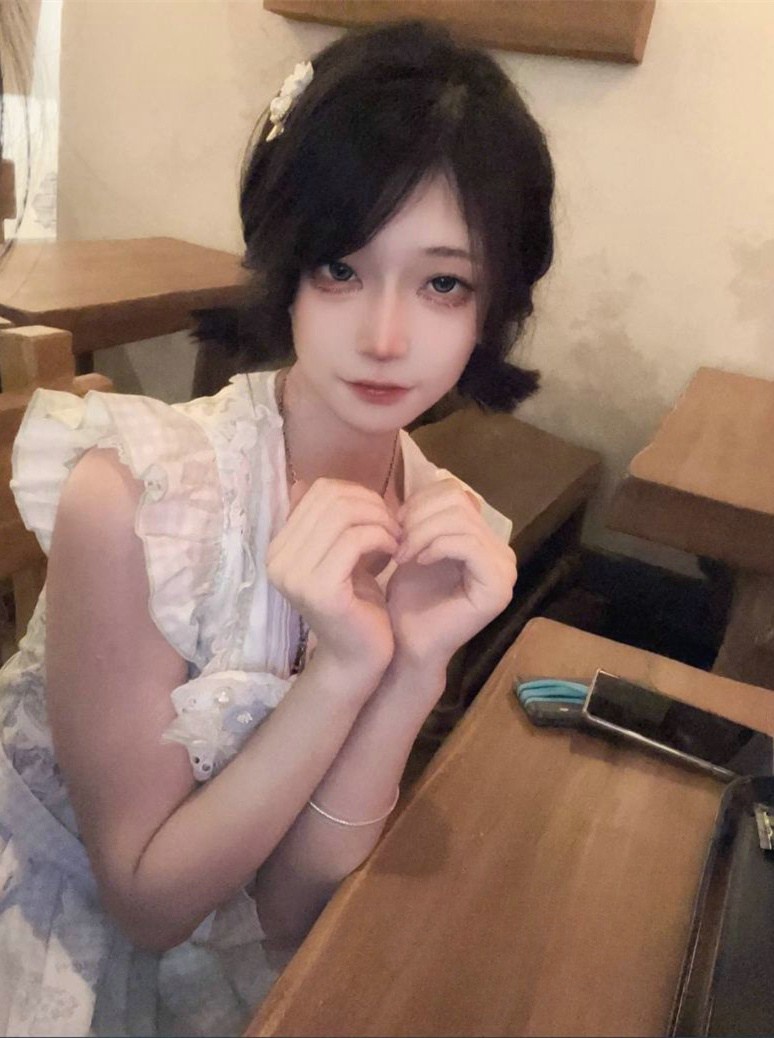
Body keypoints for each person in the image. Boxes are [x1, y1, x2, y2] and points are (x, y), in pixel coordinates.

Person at [0, 18, 554, 1037]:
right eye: (341, 268)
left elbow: (289, 909)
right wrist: (338, 675)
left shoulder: (441, 529)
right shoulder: (137, 502)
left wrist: (410, 669)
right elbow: (147, 908)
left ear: (493, 307)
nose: (385, 336)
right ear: (285, 264)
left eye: (443, 282)